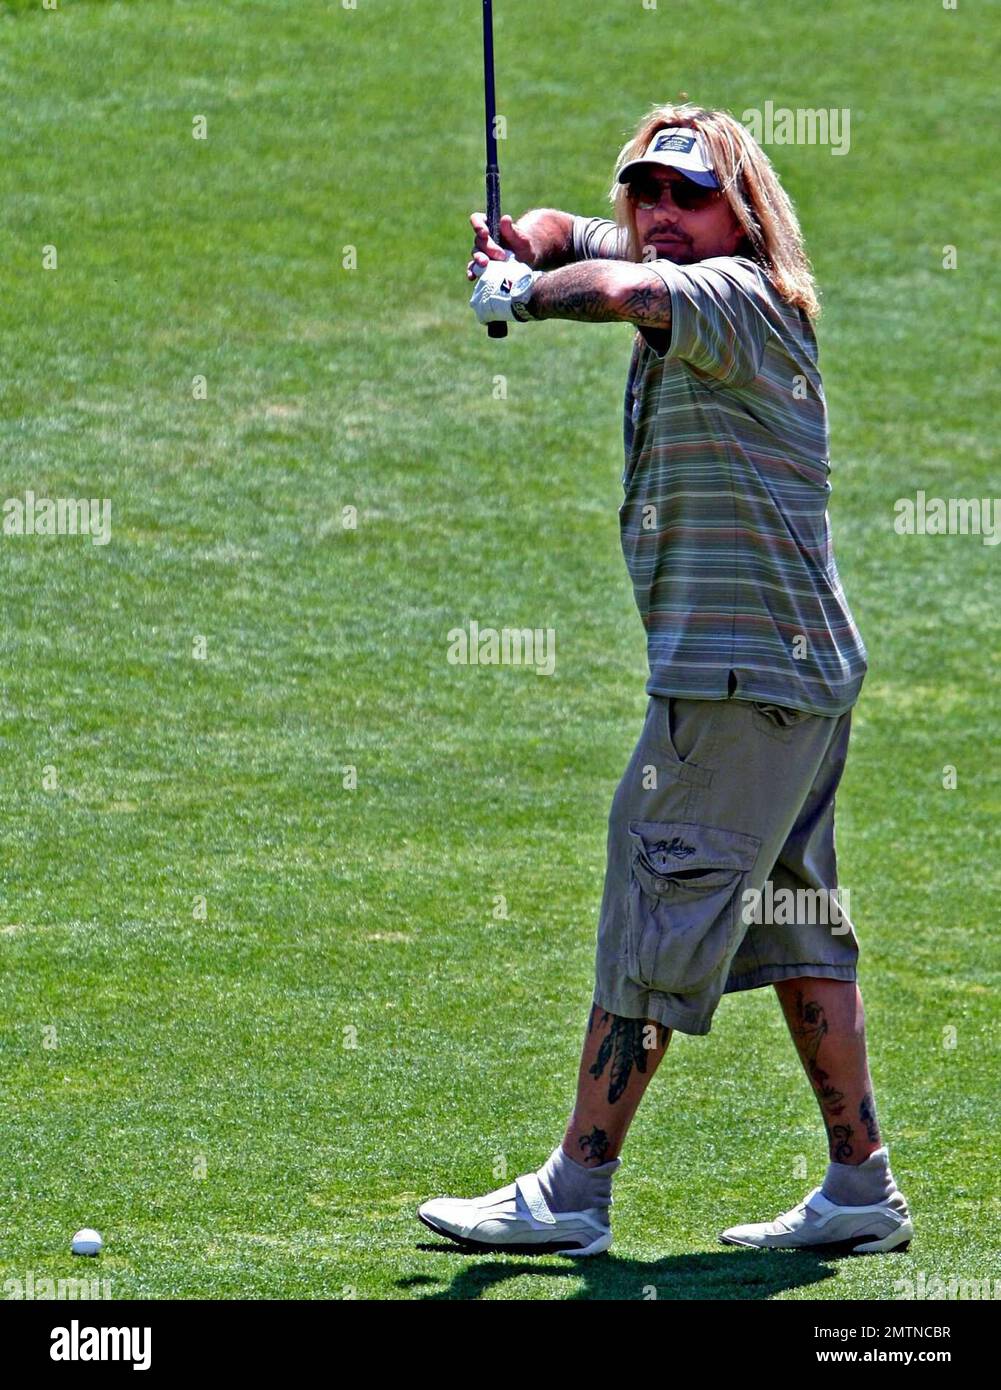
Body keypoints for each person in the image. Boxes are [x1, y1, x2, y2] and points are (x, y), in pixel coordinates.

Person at [417, 105, 912, 1257]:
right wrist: (526, 240)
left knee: (655, 892)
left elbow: (628, 295)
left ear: (742, 211)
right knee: (795, 928)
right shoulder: (663, 250)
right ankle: (859, 1190)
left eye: (687, 195)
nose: (660, 214)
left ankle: (572, 1194)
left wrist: (524, 297)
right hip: (794, 679)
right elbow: (574, 236)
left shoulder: (738, 299)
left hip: (737, 685)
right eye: (645, 193)